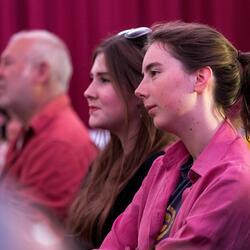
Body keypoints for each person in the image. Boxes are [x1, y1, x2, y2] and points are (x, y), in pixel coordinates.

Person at [99, 21, 250, 250]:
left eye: (154, 72)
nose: (139, 90)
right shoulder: (163, 165)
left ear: (200, 79)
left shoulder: (235, 178)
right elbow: (115, 243)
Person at [66, 27, 172, 249]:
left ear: (139, 89)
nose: (88, 91)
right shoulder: (103, 162)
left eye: (104, 80)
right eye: (91, 78)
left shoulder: (158, 166)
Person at [0, 30, 98, 222]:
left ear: (41, 72)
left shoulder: (59, 142)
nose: (0, 72)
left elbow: (22, 236)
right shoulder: (32, 132)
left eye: (7, 63)